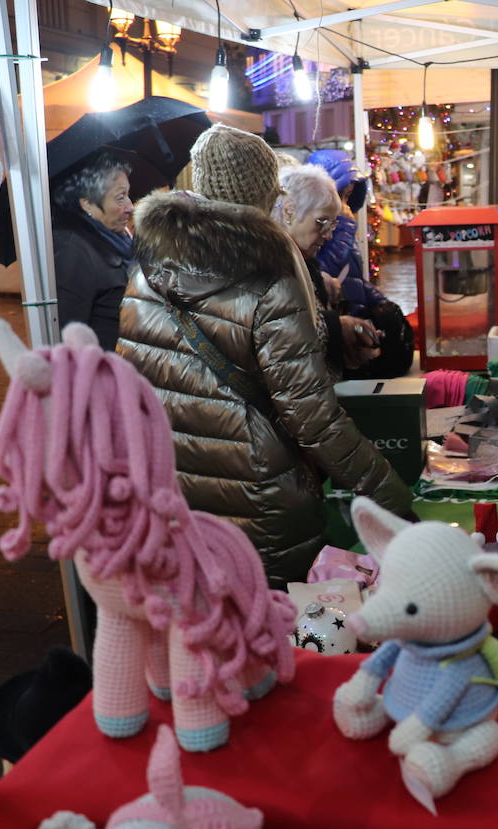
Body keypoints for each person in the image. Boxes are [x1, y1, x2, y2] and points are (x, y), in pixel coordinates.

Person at [117, 124, 413, 587]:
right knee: (280, 633)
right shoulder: (271, 272)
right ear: (264, 193)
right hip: (260, 495)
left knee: (212, 631)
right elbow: (311, 414)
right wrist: (390, 495)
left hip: (176, 491)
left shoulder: (146, 271)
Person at [306, 148, 416, 379]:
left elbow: (353, 273)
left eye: (348, 196)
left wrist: (378, 301)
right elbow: (327, 270)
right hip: (339, 324)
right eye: (341, 196)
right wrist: (344, 225)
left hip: (356, 316)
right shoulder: (323, 232)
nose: (345, 203)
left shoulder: (343, 225)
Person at [273, 163, 384, 374]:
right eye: (321, 222)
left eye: (332, 225)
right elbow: (285, 336)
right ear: (289, 211)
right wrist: (338, 329)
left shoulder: (303, 264)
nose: (328, 235)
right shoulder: (275, 266)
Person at [50, 150, 133, 350]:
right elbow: (69, 334)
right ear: (87, 203)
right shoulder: (73, 251)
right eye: (120, 197)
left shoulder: (116, 239)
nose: (130, 207)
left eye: (128, 195)